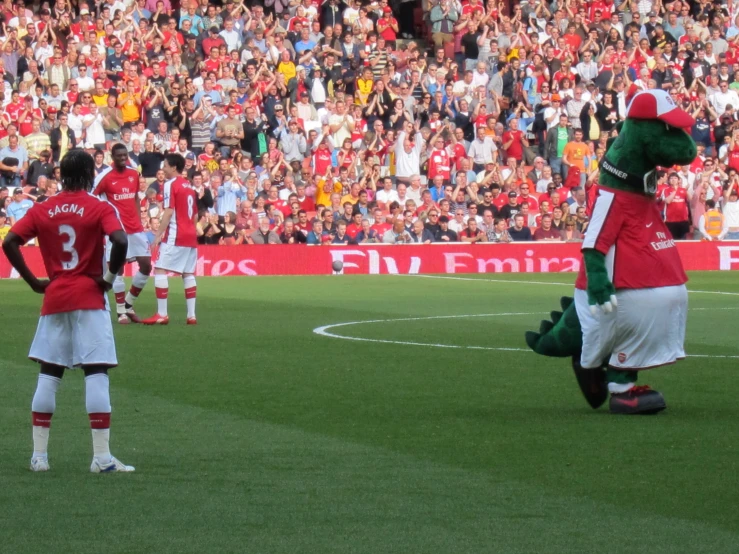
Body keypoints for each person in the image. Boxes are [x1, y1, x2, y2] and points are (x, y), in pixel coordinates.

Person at [1, 148, 134, 473]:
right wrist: (108, 278)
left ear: (61, 173)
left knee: (49, 373)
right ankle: (101, 458)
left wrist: (34, 282)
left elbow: (9, 242)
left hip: (56, 297)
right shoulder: (99, 206)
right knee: (96, 372)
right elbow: (120, 240)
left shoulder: (43, 208)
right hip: (89, 297)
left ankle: (39, 457)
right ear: (90, 174)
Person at [93, 144, 152, 324]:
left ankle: (128, 303)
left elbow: (134, 197)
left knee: (146, 265)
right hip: (116, 229)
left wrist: (139, 219)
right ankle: (121, 312)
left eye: (125, 155)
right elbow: (94, 199)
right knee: (117, 269)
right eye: (119, 155)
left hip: (135, 228)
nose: (122, 158)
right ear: (112, 156)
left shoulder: (134, 174)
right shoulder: (105, 177)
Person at [142, 154, 201, 325]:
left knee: (160, 269)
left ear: (174, 167)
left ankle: (162, 314)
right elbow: (195, 214)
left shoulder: (170, 185)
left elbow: (168, 211)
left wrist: (158, 235)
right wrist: (190, 229)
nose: (163, 169)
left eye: (166, 166)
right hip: (190, 235)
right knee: (188, 273)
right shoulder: (189, 186)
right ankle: (191, 316)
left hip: (176, 234)